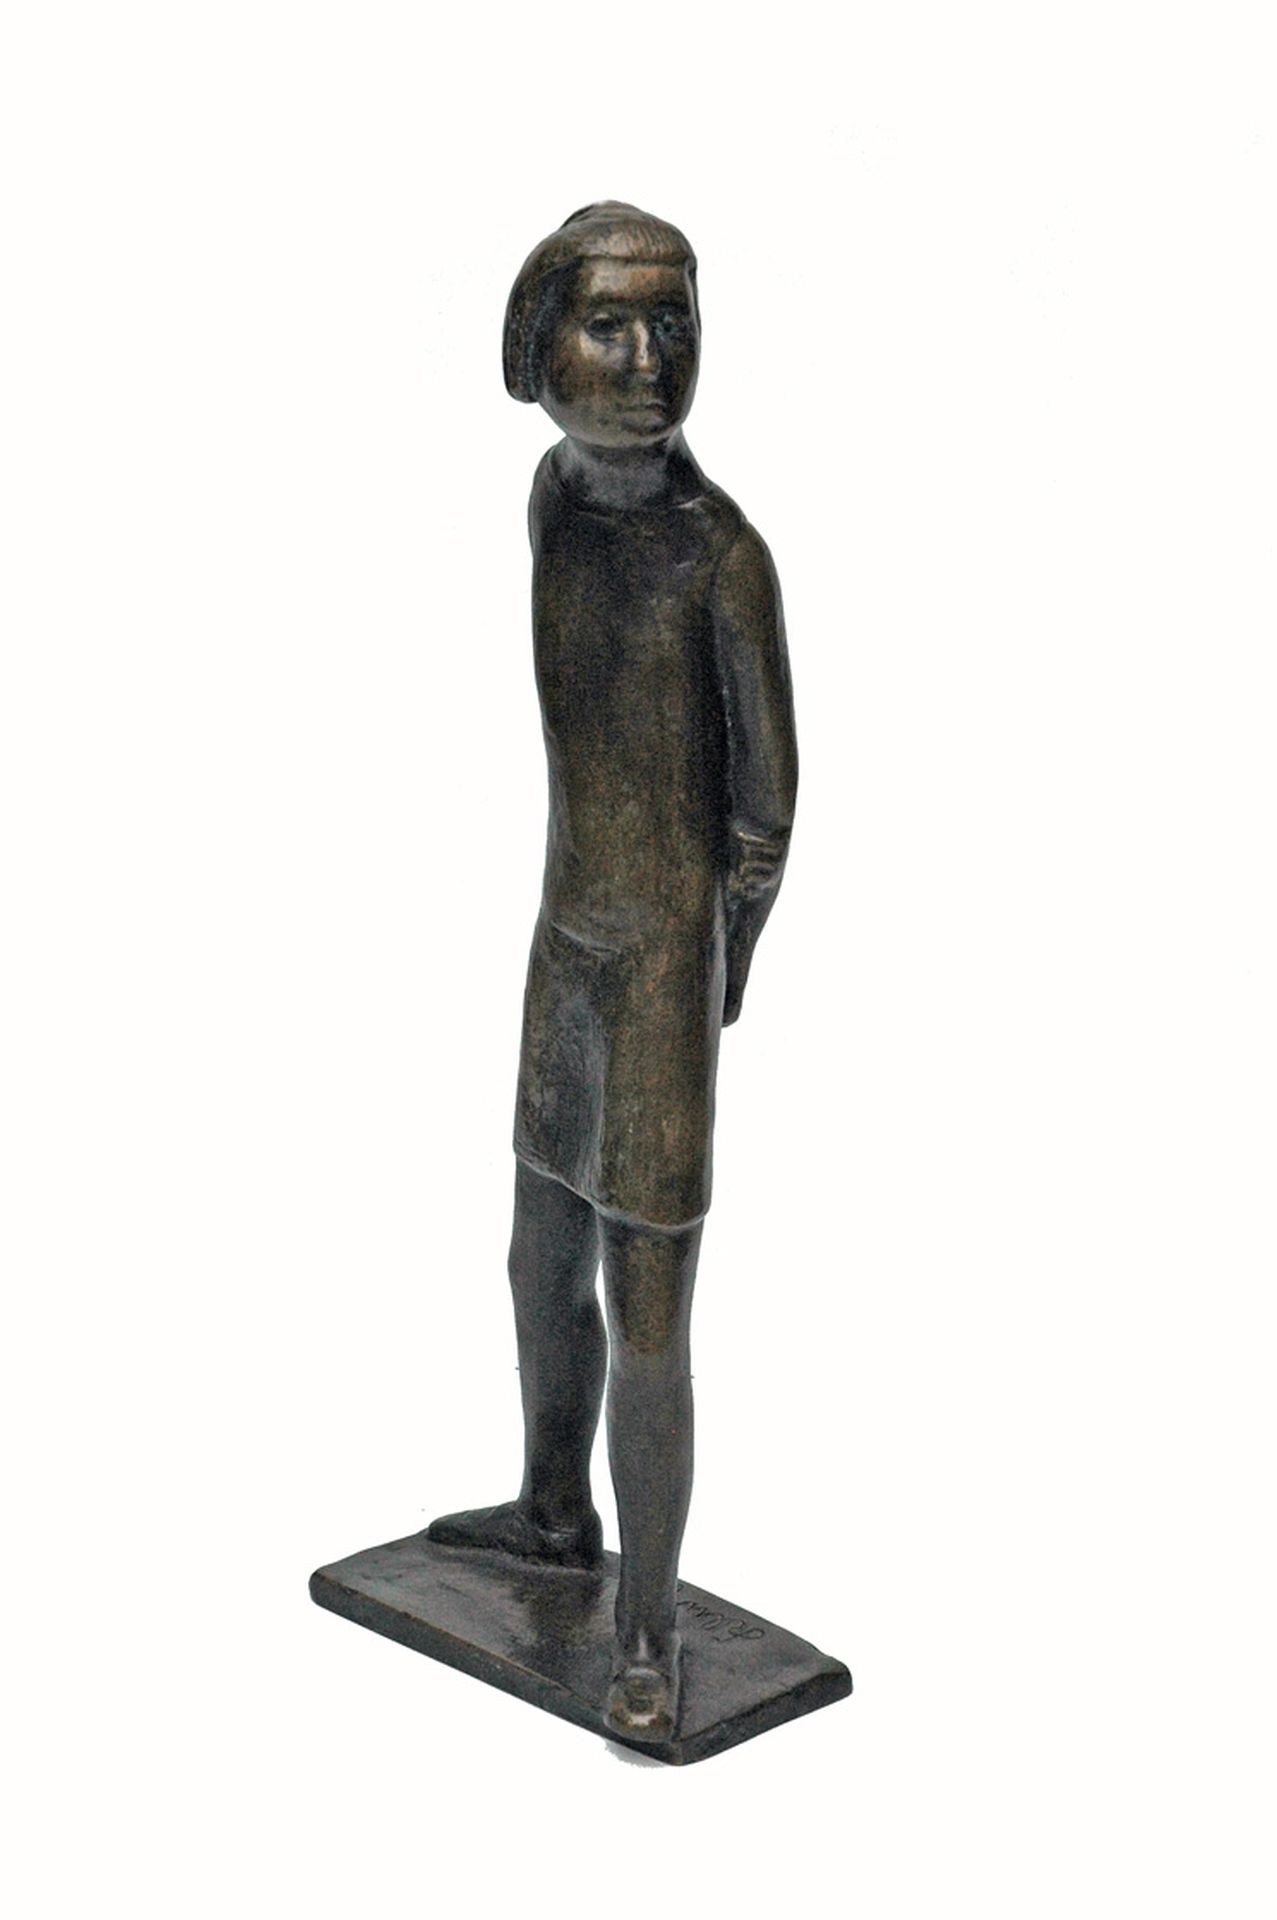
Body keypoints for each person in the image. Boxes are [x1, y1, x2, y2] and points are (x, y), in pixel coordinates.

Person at [427, 202, 798, 1743]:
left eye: (672, 327)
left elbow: (763, 813)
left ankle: (644, 1629)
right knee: (536, 1247)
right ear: (536, 352)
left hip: (656, 969)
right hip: (564, 941)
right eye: (609, 325)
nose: (647, 360)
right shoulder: (551, 505)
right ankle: (548, 1511)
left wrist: (711, 973)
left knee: (648, 1306)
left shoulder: (721, 559)